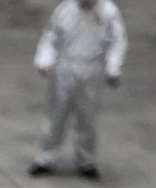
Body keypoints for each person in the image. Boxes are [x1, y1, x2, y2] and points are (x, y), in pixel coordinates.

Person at [30, 0, 126, 178]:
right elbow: (51, 36)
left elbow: (117, 41)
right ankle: (46, 157)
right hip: (65, 67)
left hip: (92, 69)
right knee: (56, 115)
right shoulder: (65, 9)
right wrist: (45, 60)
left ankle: (86, 160)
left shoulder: (109, 12)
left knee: (87, 118)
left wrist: (113, 68)